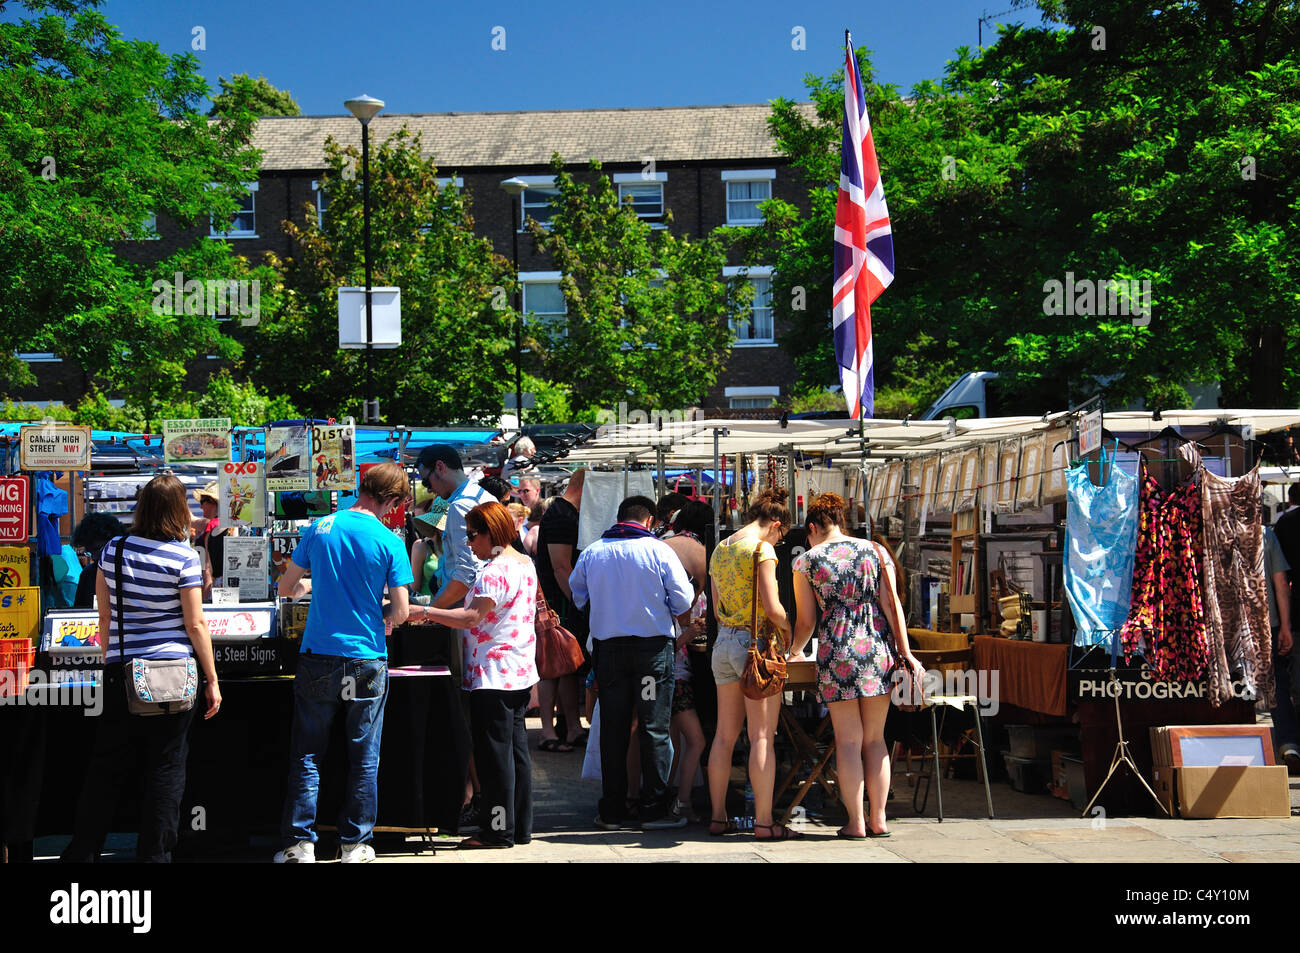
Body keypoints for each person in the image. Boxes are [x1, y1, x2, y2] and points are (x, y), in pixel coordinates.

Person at [60, 475, 221, 863]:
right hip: (172, 674)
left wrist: (110, 657)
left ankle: (83, 850)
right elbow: (195, 623)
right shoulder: (183, 556)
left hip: (121, 667)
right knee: (166, 768)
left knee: (106, 767)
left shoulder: (112, 551)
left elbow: (103, 615)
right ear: (180, 509)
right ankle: (154, 856)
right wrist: (212, 679)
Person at [274, 462, 412, 863]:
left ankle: (300, 844)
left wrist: (318, 586)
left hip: (318, 654)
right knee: (364, 756)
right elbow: (401, 611)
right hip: (367, 657)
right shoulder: (390, 541)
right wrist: (380, 615)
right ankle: (355, 844)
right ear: (389, 499)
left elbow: (286, 587)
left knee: (307, 753)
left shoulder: (319, 527)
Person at [790, 493, 923, 839]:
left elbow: (805, 622)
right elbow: (893, 605)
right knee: (876, 740)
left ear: (813, 527)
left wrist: (794, 650)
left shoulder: (806, 561)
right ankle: (879, 818)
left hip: (836, 652)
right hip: (877, 649)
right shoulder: (875, 552)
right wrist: (905, 652)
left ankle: (856, 822)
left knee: (848, 741)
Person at [411, 501, 538, 848]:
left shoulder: (495, 570)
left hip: (493, 673)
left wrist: (424, 612)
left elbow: (471, 618)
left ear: (490, 533)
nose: (468, 543)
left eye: (472, 536)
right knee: (515, 753)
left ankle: (498, 831)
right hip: (517, 669)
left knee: (494, 757)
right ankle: (518, 826)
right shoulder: (524, 563)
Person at [571, 495, 695, 830]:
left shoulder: (594, 552)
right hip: (651, 654)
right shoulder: (658, 551)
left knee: (613, 728)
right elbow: (683, 599)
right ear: (651, 521)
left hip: (609, 651)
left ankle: (613, 808)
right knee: (653, 728)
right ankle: (652, 807)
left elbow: (577, 593)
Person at [706, 486, 796, 840]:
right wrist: (789, 628)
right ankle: (763, 822)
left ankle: (717, 817)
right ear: (775, 524)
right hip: (755, 647)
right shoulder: (763, 549)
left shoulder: (721, 548)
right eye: (782, 534)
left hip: (724, 642)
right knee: (761, 737)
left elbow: (715, 609)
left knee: (724, 736)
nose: (781, 540)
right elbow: (773, 609)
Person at [415, 444, 495, 827]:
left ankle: (480, 800)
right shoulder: (479, 497)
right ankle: (483, 799)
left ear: (441, 468)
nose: (427, 488)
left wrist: (430, 613)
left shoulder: (463, 506)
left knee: (468, 716)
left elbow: (465, 576)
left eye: (426, 477)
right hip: (485, 623)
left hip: (470, 624)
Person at [663, 500, 712, 822]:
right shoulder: (680, 603)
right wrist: (692, 630)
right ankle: (679, 803)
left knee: (677, 743)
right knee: (694, 740)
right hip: (676, 675)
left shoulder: (669, 600)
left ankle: (670, 800)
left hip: (674, 674)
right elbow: (672, 644)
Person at [534, 470, 589, 751]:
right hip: (558, 604)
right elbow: (560, 567)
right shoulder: (561, 515)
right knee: (552, 667)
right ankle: (547, 732)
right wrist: (581, 603)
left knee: (567, 665)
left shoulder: (563, 512)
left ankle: (571, 728)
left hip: (563, 602)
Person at [1264, 525, 1297, 769]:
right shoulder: (1265, 534)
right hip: (1268, 622)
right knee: (1277, 684)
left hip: (1229, 625)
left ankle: (1239, 743)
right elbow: (1281, 583)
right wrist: (1285, 626)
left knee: (1234, 686)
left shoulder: (1216, 530)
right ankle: (1288, 744)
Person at [71, 513, 127, 608]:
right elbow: (79, 612)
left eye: (97, 551)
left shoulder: (129, 571)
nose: (93, 558)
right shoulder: (88, 574)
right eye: (89, 553)